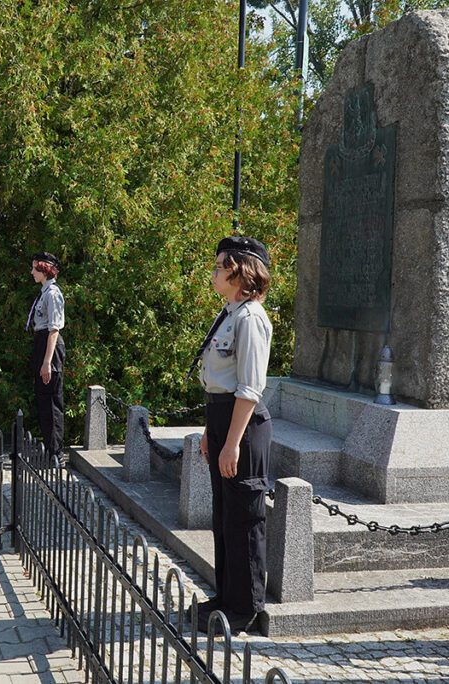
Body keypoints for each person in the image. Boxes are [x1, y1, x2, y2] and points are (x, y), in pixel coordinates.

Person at [196, 235, 273, 634]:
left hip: (243, 425)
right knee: (224, 516)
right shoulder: (229, 312)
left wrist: (231, 443)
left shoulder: (251, 319)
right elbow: (217, 385)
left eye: (219, 265)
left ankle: (244, 609)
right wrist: (213, 433)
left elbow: (248, 388)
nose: (214, 271)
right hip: (222, 418)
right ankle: (226, 597)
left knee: (244, 518)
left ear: (240, 271)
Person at [27, 252, 65, 458]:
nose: (32, 272)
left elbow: (54, 330)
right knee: (42, 398)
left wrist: (47, 362)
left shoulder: (52, 294)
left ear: (44, 269)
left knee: (51, 400)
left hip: (50, 347)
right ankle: (49, 447)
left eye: (35, 268)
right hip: (41, 343)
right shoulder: (43, 293)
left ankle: (55, 452)